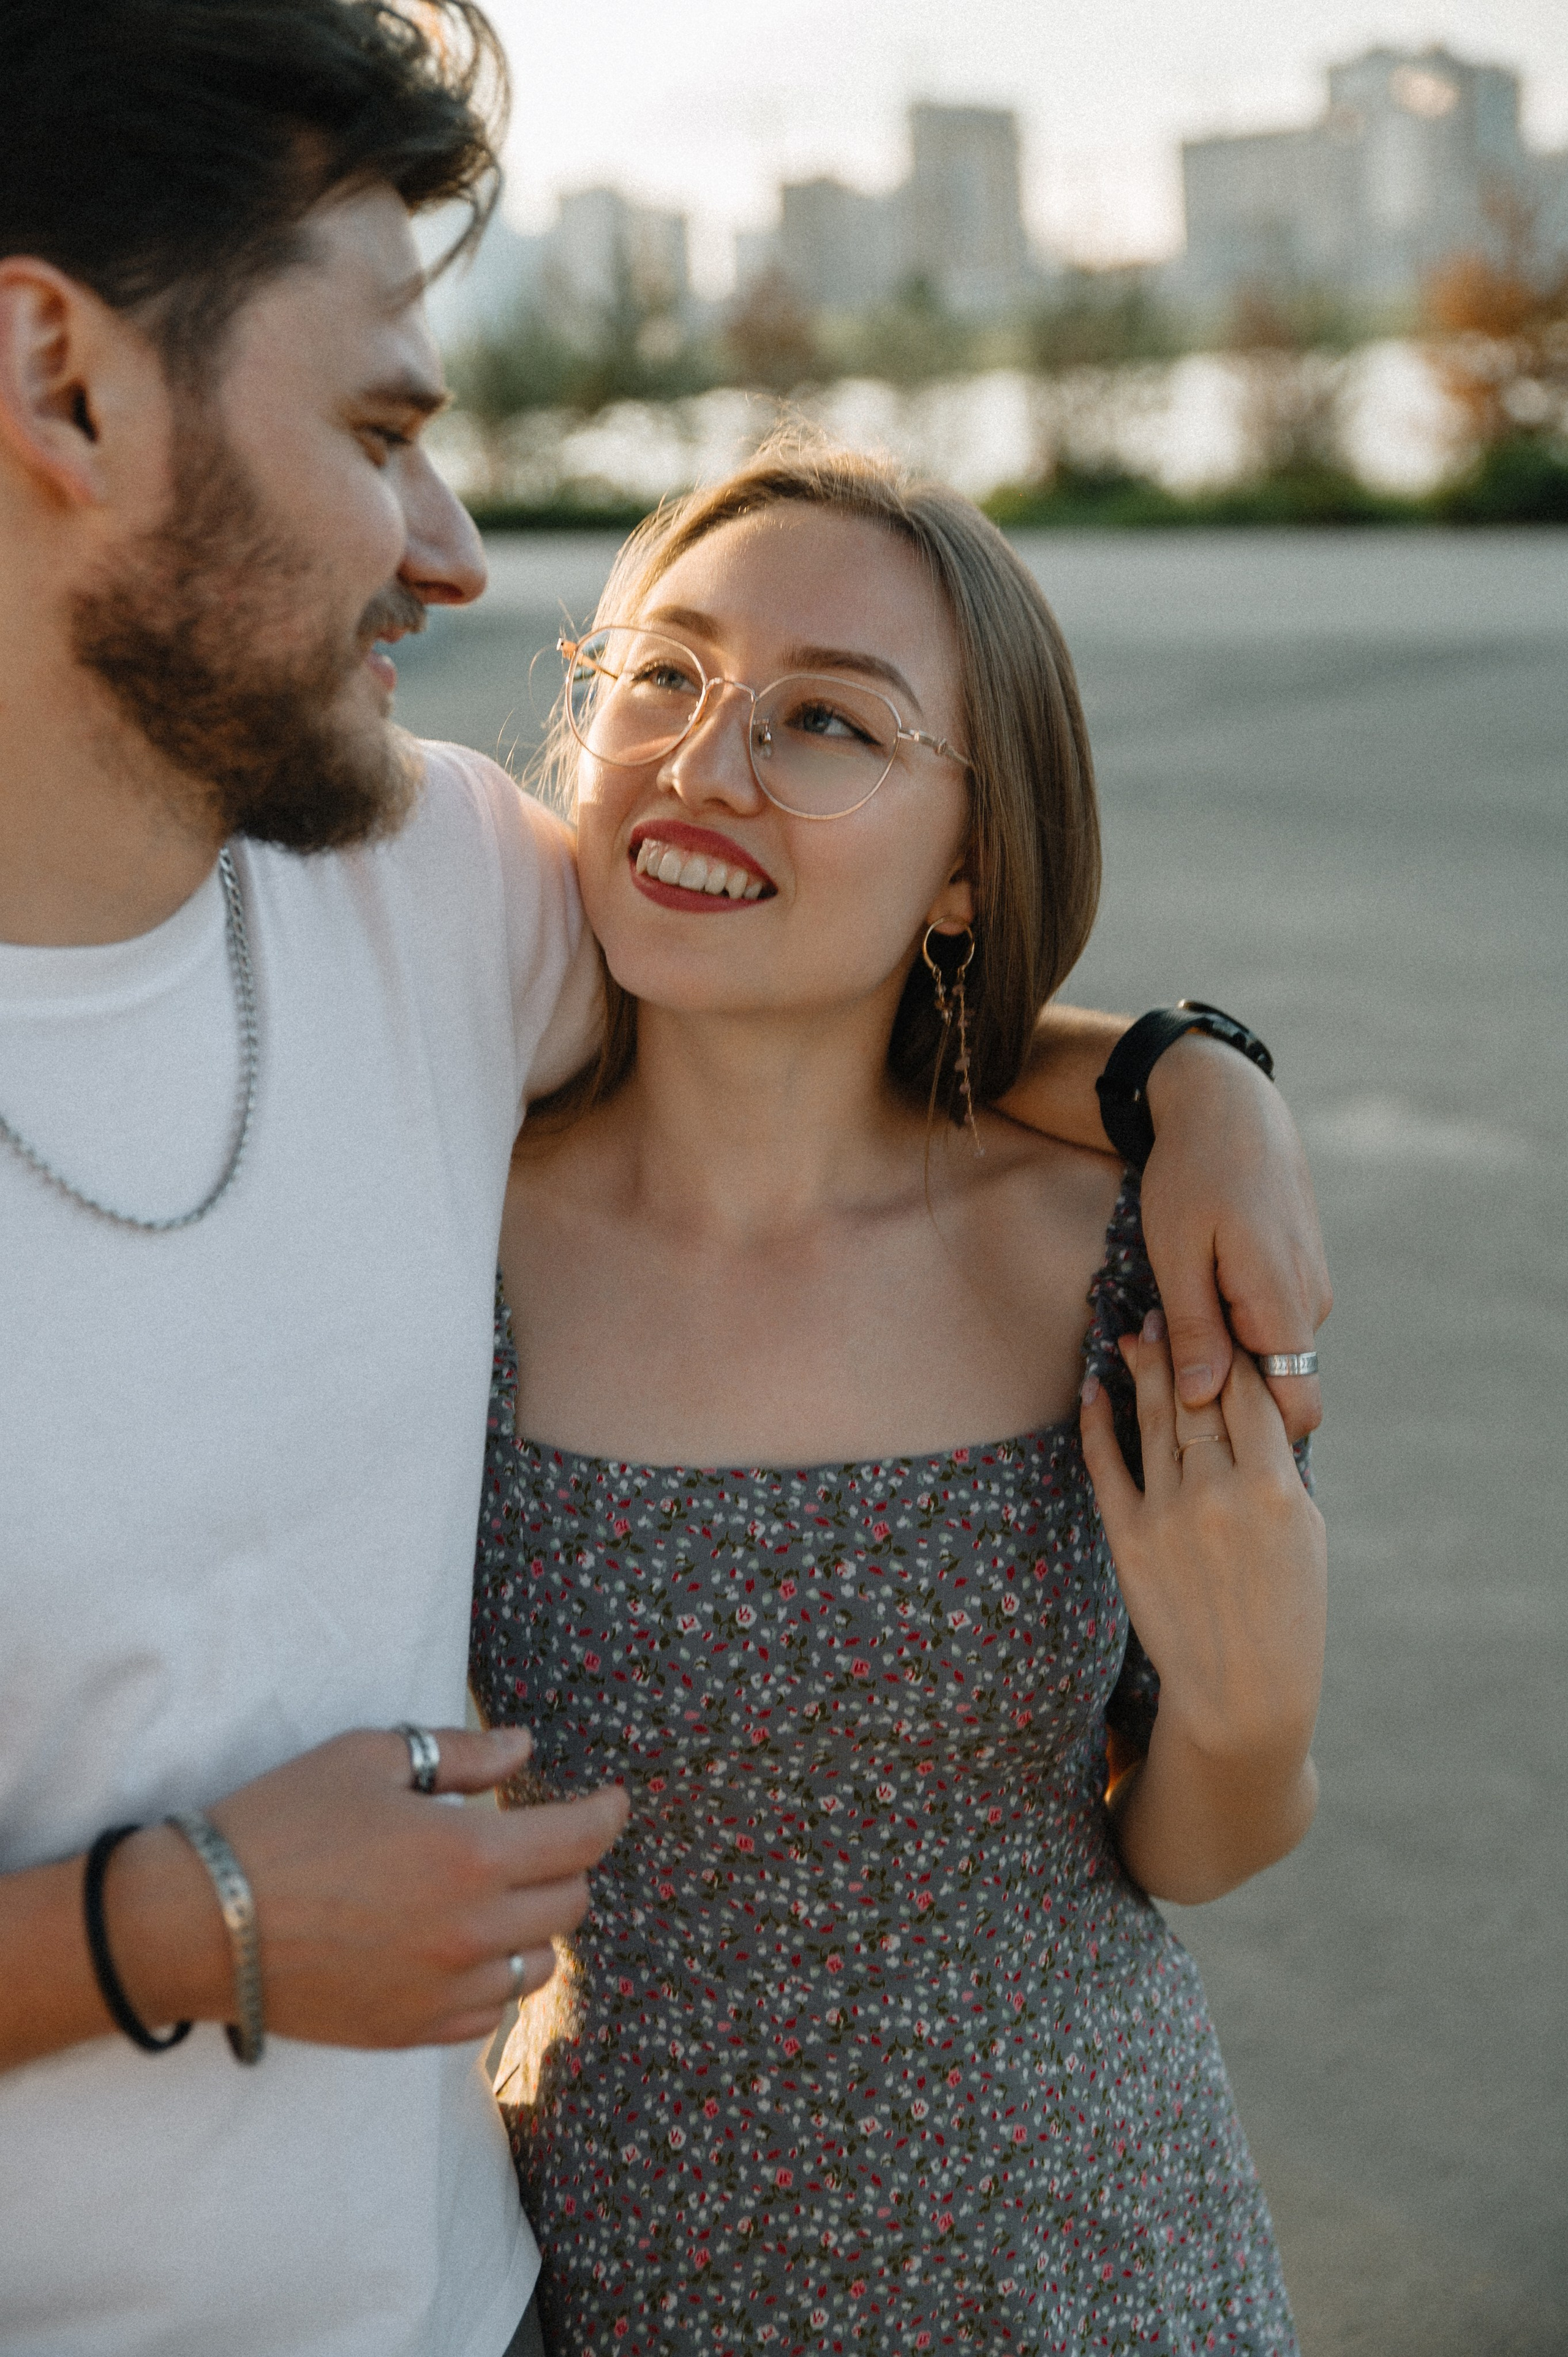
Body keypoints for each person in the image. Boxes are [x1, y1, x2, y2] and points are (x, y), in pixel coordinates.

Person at [0, 7, 1325, 2355]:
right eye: (382, 433)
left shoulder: (423, 896)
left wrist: (1191, 1077)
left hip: (585, 2296)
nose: (455, 551)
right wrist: (182, 1922)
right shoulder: (480, 1035)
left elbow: (820, 1003)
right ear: (59, 383)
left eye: (819, 716)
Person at [471, 442, 1328, 2353]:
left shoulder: (1120, 1258)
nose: (705, 765)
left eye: (827, 723)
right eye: (663, 675)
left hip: (1096, 2267)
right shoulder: (444, 1246)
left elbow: (1190, 1845)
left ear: (967, 869)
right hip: (624, 2269)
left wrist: (1253, 1714)